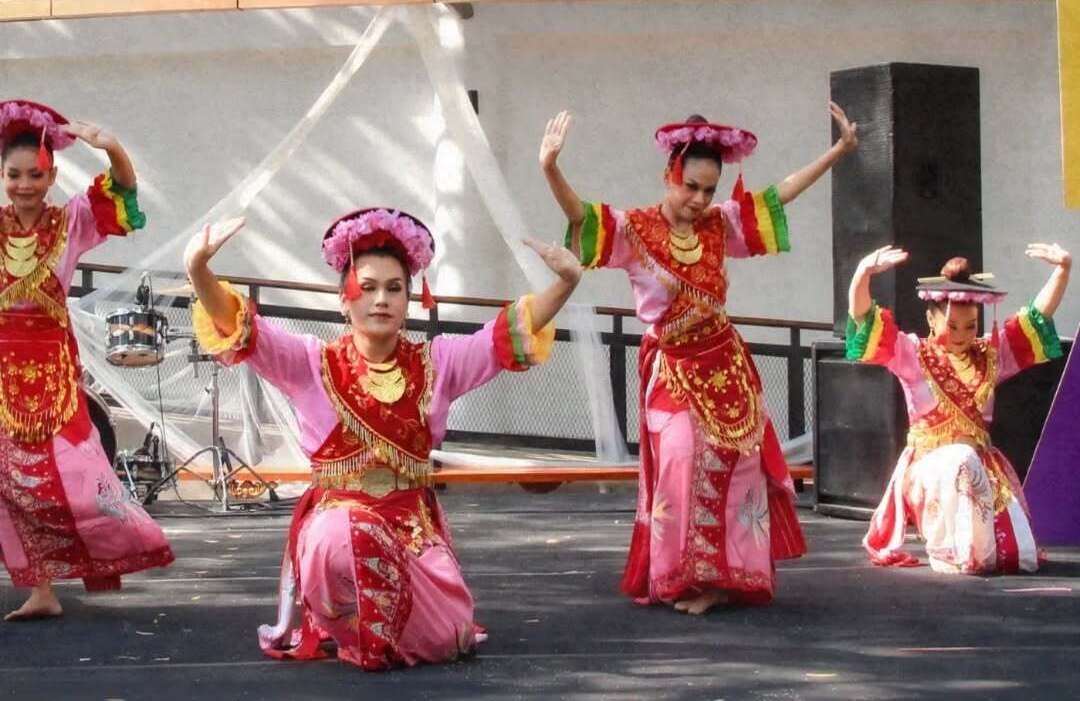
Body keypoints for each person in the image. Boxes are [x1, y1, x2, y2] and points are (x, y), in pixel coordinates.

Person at [184, 208, 582, 669]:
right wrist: (198, 271)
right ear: (343, 300)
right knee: (344, 534)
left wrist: (566, 284)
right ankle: (357, 627)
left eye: (394, 289)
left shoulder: (438, 363)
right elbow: (244, 328)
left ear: (410, 299)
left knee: (449, 640)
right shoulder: (310, 364)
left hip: (411, 530)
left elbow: (502, 337)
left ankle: (390, 625)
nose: (380, 300)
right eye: (367, 287)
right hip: (336, 526)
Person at [539, 104, 858, 612]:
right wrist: (551, 168)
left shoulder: (718, 225)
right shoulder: (634, 230)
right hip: (673, 366)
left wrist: (836, 153)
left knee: (739, 467)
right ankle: (681, 577)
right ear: (670, 175)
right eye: (690, 185)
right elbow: (580, 216)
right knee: (682, 460)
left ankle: (724, 580)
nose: (699, 198)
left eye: (709, 189)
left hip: (726, 365)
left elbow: (779, 196)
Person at [0, 99, 174, 621]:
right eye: (14, 174)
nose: (25, 184)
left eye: (35, 174)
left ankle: (115, 544)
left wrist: (112, 146)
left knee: (74, 474)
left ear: (51, 175)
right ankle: (41, 588)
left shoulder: (71, 221)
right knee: (8, 483)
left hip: (52, 367)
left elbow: (121, 188)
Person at [847, 243, 1070, 573]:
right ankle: (947, 547)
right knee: (959, 464)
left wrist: (1063, 270)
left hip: (981, 470)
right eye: (952, 326)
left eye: (970, 326)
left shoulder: (990, 356)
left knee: (1016, 556)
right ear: (931, 319)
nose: (961, 335)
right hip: (929, 469)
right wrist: (861, 274)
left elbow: (1036, 320)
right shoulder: (912, 354)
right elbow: (864, 318)